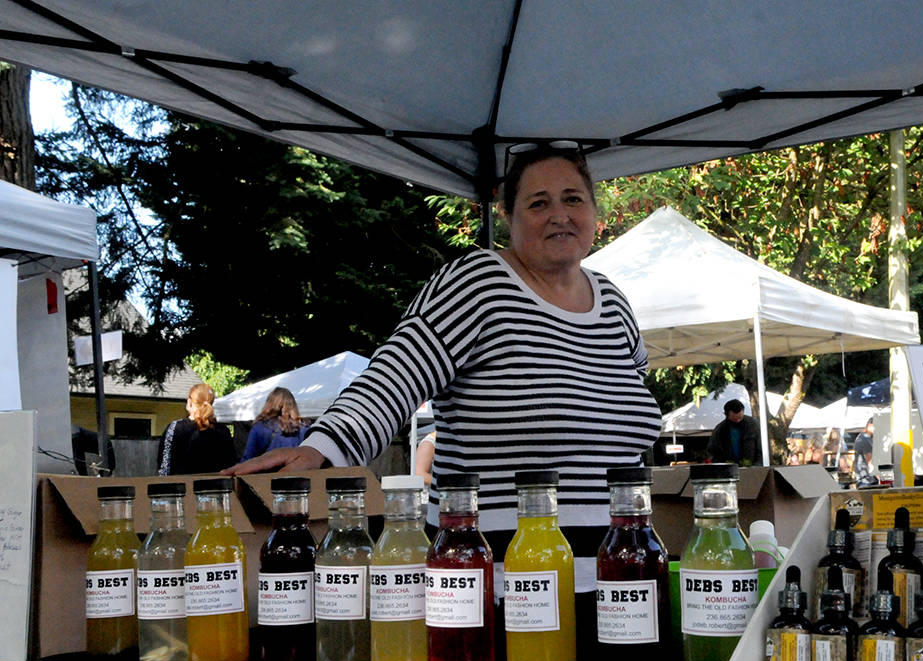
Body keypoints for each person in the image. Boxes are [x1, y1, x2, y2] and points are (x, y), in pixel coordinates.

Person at [228, 142, 662, 560]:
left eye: (573, 199)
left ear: (594, 210)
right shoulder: (477, 283)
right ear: (506, 214)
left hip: (621, 584)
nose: (560, 216)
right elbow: (396, 375)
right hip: (499, 587)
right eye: (538, 203)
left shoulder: (614, 303)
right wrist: (324, 445)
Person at [158, 383, 236, 475]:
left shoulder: (175, 428)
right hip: (216, 487)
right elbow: (230, 465)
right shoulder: (223, 431)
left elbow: (164, 466)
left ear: (190, 402)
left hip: (182, 487)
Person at [240, 387, 309, 462]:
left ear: (269, 404)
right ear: (292, 405)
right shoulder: (304, 427)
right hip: (297, 472)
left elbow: (248, 459)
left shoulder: (261, 427)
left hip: (268, 472)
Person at [706, 398, 762, 465]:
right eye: (734, 418)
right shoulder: (719, 429)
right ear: (726, 415)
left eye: (740, 417)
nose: (738, 420)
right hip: (728, 468)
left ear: (743, 412)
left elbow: (762, 449)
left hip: (752, 466)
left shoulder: (754, 425)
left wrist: (758, 465)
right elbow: (712, 451)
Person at [853, 418, 877, 487]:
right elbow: (870, 462)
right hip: (866, 480)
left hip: (862, 478)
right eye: (875, 426)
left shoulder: (860, 436)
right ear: (869, 425)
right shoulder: (865, 439)